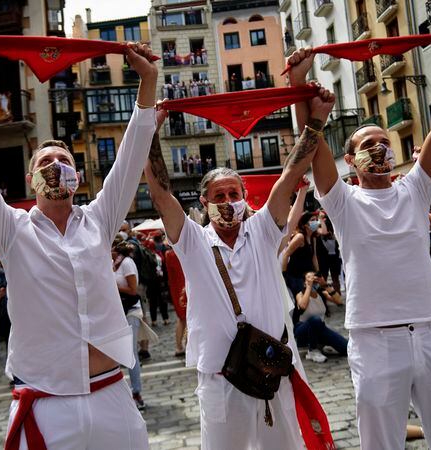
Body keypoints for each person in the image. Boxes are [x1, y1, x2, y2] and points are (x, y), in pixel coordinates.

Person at [0, 34, 157, 449]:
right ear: (32, 181)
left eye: (63, 161)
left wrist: (148, 83)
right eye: (43, 162)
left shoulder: (100, 221)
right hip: (48, 406)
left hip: (111, 397)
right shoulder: (11, 229)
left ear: (77, 178)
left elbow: (133, 154)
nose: (54, 166)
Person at [288, 27, 431, 449]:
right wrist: (299, 87)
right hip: (374, 340)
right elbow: (311, 143)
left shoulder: (414, 188)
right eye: (366, 144)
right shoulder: (342, 200)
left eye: (383, 142)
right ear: (350, 159)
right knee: (380, 444)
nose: (378, 148)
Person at [144, 84, 335, 449]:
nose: (229, 202)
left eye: (235, 194)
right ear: (204, 202)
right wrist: (150, 132)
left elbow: (290, 174)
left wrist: (316, 121)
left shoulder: (263, 229)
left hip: (272, 372)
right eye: (220, 196)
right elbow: (161, 194)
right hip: (219, 378)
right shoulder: (193, 240)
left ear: (246, 199)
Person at [112, 237, 146, 411]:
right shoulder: (112, 264)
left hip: (131, 310)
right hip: (116, 312)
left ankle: (137, 392)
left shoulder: (127, 263)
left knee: (131, 353)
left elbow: (133, 289)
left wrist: (112, 285)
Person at [294, 271, 347, 363]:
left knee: (346, 348)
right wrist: (309, 287)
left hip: (320, 328)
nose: (314, 279)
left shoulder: (322, 293)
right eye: (310, 277)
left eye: (315, 277)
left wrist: (325, 284)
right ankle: (312, 351)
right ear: (304, 282)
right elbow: (302, 306)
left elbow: (339, 301)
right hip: (302, 330)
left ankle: (319, 344)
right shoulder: (300, 294)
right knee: (315, 319)